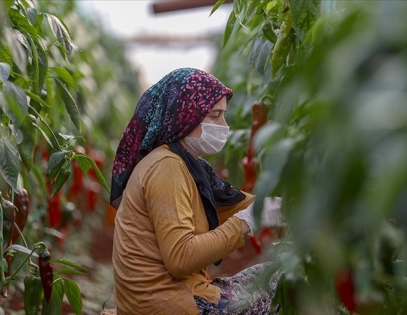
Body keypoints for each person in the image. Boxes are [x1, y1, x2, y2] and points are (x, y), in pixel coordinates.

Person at [108, 68, 282, 315]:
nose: (224, 125)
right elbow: (180, 258)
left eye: (223, 115)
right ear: (186, 116)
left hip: (173, 295)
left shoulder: (187, 165)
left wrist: (289, 210)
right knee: (287, 286)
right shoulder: (166, 168)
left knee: (279, 271)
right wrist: (247, 221)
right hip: (164, 303)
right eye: (214, 116)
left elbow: (238, 205)